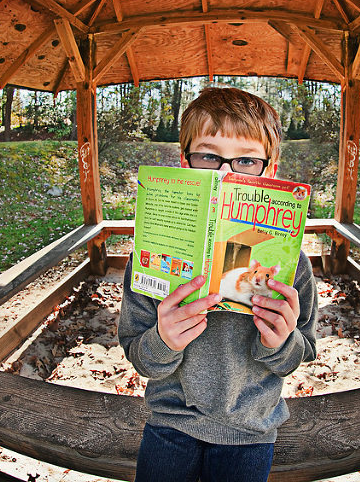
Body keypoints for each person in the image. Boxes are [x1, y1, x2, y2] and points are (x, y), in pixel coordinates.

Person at [118, 87, 318, 482]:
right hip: (169, 425)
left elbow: (301, 356)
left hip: (250, 433)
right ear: (184, 162)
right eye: (209, 156)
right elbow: (139, 356)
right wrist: (164, 339)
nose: (226, 174)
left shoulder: (292, 265)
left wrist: (280, 341)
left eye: (246, 160)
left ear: (270, 168)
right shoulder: (149, 257)